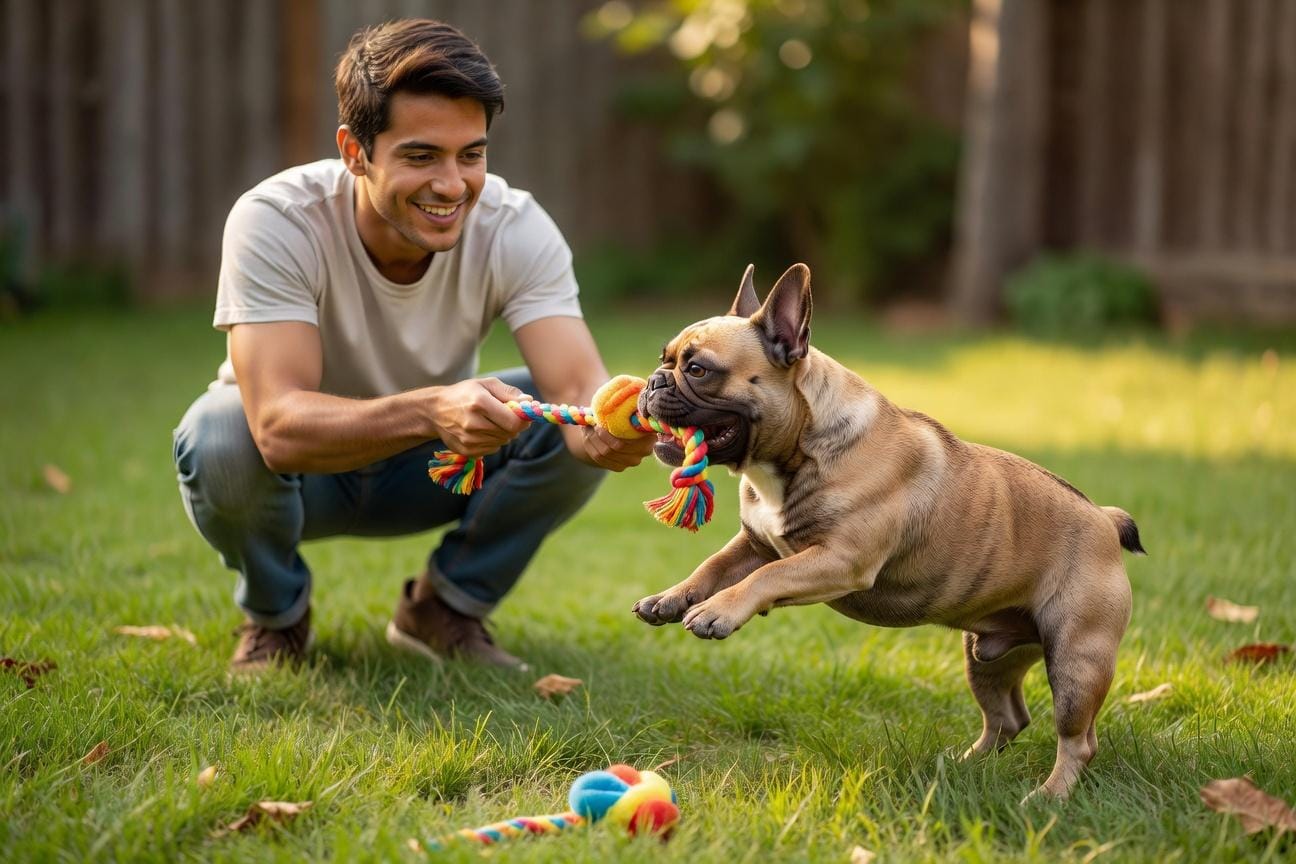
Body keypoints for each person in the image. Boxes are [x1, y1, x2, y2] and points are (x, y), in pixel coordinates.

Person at [171, 19, 654, 674]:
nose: (453, 184)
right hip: (295, 475)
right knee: (220, 436)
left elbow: (575, 392)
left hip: (433, 468)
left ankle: (445, 610)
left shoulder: (516, 227)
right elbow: (278, 427)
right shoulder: (277, 219)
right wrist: (431, 410)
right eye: (422, 156)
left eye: (472, 155)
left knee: (555, 409)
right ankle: (276, 619)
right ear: (354, 150)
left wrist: (607, 432)